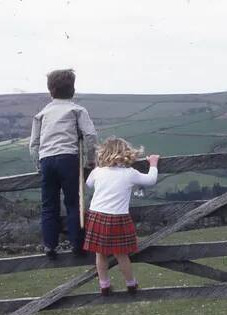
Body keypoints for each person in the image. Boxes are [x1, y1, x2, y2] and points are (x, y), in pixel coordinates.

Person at [28, 69, 98, 259]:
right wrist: (90, 160)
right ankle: (78, 244)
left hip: (47, 160)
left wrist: (38, 166)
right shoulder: (77, 110)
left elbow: (34, 144)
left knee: (49, 204)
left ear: (50, 90)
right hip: (68, 158)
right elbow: (90, 135)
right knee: (73, 203)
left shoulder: (41, 114)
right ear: (73, 89)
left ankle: (50, 245)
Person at [82, 137, 160, 296]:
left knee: (100, 253)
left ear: (103, 153)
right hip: (118, 218)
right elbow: (151, 180)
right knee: (121, 254)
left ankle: (104, 285)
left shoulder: (98, 171)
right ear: (126, 153)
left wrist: (97, 167)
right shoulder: (129, 173)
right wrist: (153, 164)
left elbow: (88, 184)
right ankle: (131, 283)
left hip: (97, 215)